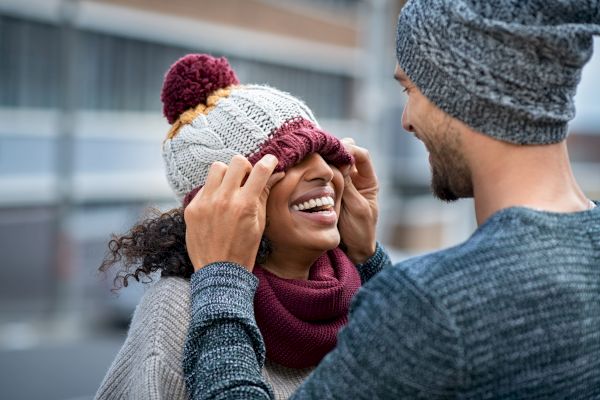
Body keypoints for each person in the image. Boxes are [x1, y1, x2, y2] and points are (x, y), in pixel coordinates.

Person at [181, 0, 600, 398]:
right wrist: (369, 258)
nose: (407, 121)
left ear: (459, 90)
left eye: (409, 91)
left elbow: (428, 328)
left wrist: (220, 279)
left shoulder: (432, 305)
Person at [94, 54, 384, 400]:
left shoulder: (364, 295)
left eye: (327, 153)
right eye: (292, 158)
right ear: (224, 204)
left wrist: (368, 259)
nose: (324, 171)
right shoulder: (178, 308)